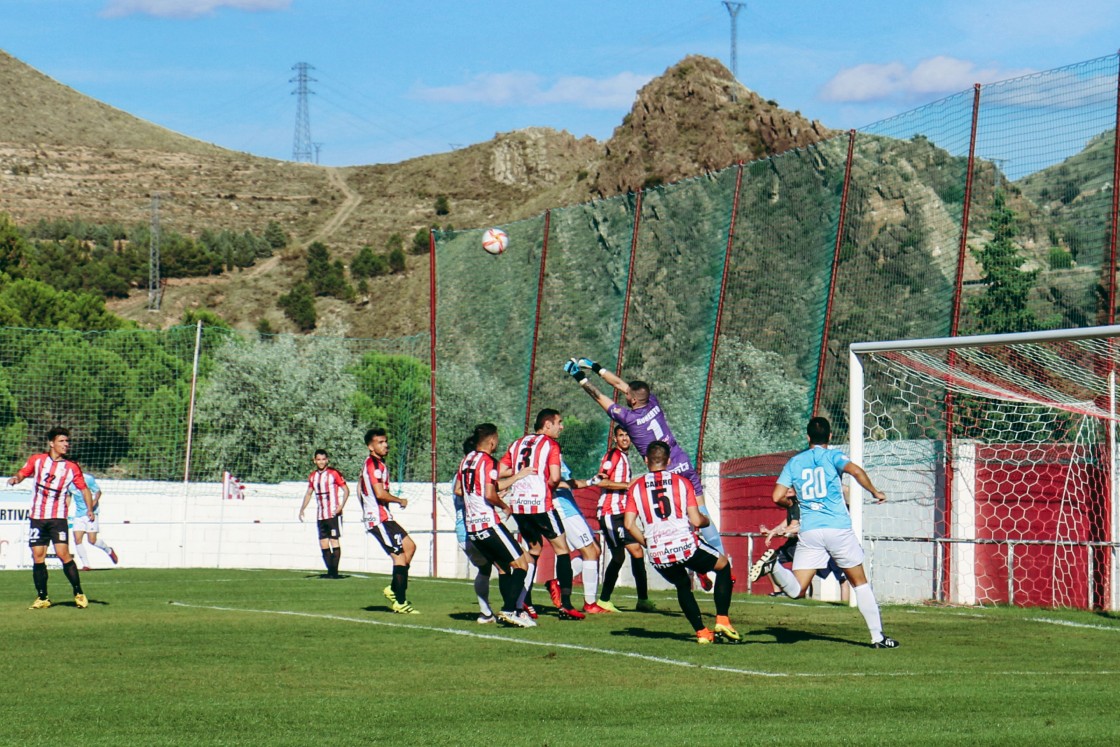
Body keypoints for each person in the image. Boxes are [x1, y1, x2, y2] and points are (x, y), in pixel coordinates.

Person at [565, 357, 724, 589]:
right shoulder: (653, 403)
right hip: (682, 462)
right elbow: (622, 385)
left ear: (630, 399)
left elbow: (600, 397)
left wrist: (579, 376)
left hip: (666, 471)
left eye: (627, 395)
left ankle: (693, 565)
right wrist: (596, 366)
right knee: (699, 512)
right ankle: (721, 560)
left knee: (672, 522)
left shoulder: (629, 418)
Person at [750, 416, 899, 649]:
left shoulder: (795, 462)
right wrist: (875, 491)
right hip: (837, 528)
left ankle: (775, 567)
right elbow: (856, 471)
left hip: (809, 531)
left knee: (797, 589)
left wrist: (791, 506)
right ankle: (878, 637)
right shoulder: (834, 456)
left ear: (808, 437)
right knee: (859, 583)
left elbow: (776, 496)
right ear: (830, 436)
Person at [623, 441, 739, 644]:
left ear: (645, 460)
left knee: (682, 584)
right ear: (668, 461)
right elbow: (695, 520)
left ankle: (702, 633)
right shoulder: (681, 482)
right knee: (723, 566)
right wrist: (706, 520)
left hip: (658, 553)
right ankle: (722, 620)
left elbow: (629, 524)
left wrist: (648, 544)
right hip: (685, 545)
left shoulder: (635, 488)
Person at [499, 408, 585, 620]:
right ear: (547, 425)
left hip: (518, 504)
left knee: (534, 549)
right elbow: (555, 478)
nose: (561, 427)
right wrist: (542, 483)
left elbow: (500, 470)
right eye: (559, 422)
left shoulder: (517, 443)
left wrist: (522, 475)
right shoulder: (551, 445)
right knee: (562, 549)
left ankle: (524, 600)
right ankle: (565, 605)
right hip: (540, 504)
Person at [454, 423, 537, 628]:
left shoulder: (466, 461)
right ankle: (511, 610)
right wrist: (503, 505)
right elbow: (490, 494)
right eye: (496, 440)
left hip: (472, 527)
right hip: (488, 523)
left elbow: (459, 489)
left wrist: (515, 478)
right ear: (492, 441)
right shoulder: (488, 461)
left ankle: (513, 611)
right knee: (522, 563)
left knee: (503, 568)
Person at [8, 427, 93, 609]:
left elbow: (84, 489)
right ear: (51, 443)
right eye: (62, 441)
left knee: (63, 554)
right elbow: (23, 472)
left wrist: (90, 509)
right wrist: (16, 478)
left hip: (57, 518)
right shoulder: (37, 460)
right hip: (37, 517)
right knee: (38, 556)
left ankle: (79, 593)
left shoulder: (71, 467)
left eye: (67, 441)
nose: (66, 444)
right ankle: (43, 598)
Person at [358, 427, 419, 614]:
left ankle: (393, 589)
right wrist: (399, 500)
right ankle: (400, 602)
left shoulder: (379, 465)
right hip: (378, 519)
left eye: (385, 441)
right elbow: (379, 493)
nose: (385, 445)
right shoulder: (373, 466)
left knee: (410, 547)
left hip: (385, 516)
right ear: (370, 446)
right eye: (380, 442)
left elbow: (360, 490)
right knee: (399, 556)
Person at [594, 425, 653, 612]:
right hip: (610, 513)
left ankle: (642, 600)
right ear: (615, 439)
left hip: (621, 513)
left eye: (627, 435)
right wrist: (626, 485)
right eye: (621, 435)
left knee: (636, 552)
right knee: (620, 555)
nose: (625, 438)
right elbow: (600, 480)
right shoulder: (612, 456)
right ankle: (604, 600)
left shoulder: (625, 458)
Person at [760, 488, 849, 601]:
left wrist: (782, 531)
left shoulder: (805, 506)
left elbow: (797, 527)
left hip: (826, 545)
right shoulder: (792, 506)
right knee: (771, 560)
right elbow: (788, 526)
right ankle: (778, 592)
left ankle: (845, 605)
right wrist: (771, 532)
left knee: (843, 578)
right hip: (802, 544)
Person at [549, 462, 608, 614]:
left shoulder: (557, 455)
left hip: (572, 508)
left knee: (595, 550)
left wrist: (591, 481)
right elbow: (551, 483)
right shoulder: (545, 453)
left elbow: (569, 482)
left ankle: (558, 582)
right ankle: (590, 603)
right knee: (590, 552)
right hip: (564, 511)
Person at [298, 449, 349, 579]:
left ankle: (334, 572)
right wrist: (302, 508)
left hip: (333, 514)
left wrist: (341, 506)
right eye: (318, 459)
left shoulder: (334, 473)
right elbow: (309, 493)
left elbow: (346, 490)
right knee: (323, 543)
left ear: (327, 460)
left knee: (334, 540)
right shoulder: (313, 476)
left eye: (323, 459)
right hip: (321, 515)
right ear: (314, 460)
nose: (321, 462)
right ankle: (330, 571)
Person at [68, 471, 119, 571]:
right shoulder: (68, 481)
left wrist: (93, 504)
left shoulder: (88, 479)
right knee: (77, 539)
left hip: (91, 513)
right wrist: (65, 509)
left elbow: (98, 492)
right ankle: (86, 565)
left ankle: (108, 550)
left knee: (92, 540)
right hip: (79, 515)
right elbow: (68, 496)